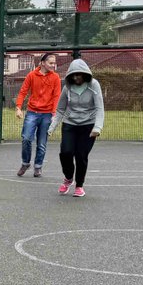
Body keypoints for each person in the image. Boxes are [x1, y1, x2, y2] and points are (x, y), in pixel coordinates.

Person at [48, 58, 104, 198]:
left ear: (85, 74)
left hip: (88, 126)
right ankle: (68, 178)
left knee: (81, 155)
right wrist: (52, 127)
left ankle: (79, 185)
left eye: (79, 74)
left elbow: (99, 108)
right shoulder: (68, 87)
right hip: (70, 124)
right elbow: (60, 109)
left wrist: (97, 127)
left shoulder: (94, 85)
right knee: (65, 153)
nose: (76, 77)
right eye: (73, 75)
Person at [13, 52, 62, 177]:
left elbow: (56, 96)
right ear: (42, 63)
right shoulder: (31, 75)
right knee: (26, 138)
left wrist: (53, 114)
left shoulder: (55, 78)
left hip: (47, 115)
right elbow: (23, 91)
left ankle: (38, 167)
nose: (53, 65)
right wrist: (18, 107)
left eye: (54, 63)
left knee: (41, 143)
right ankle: (25, 163)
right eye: (50, 63)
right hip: (32, 113)